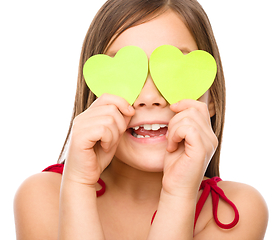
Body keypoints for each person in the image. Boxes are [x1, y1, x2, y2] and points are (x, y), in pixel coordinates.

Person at [14, 0, 268, 239]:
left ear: (211, 99)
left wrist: (177, 195)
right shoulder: (43, 195)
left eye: (171, 73)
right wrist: (78, 185)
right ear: (92, 97)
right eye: (126, 73)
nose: (149, 98)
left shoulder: (236, 210)